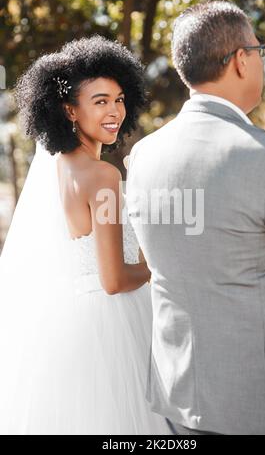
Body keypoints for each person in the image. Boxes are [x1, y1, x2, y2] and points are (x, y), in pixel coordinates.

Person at [126, 0, 265, 435]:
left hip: (179, 390)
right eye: (259, 51)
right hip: (264, 395)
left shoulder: (143, 155)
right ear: (241, 61)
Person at [0, 35, 171, 435]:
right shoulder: (105, 177)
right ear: (69, 110)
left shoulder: (59, 168)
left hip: (73, 326)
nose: (115, 111)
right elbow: (114, 280)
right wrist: (156, 265)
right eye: (100, 101)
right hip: (115, 327)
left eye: (119, 99)